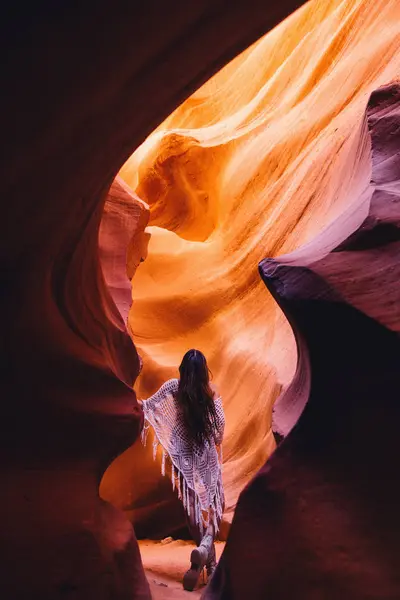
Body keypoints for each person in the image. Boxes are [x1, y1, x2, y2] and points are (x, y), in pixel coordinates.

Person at [139, 349, 225, 591]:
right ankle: (208, 557)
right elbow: (219, 434)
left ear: (182, 370)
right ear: (203, 372)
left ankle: (208, 564)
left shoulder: (173, 389)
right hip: (207, 462)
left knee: (195, 516)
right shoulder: (211, 394)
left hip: (185, 461)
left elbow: (148, 407)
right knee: (213, 515)